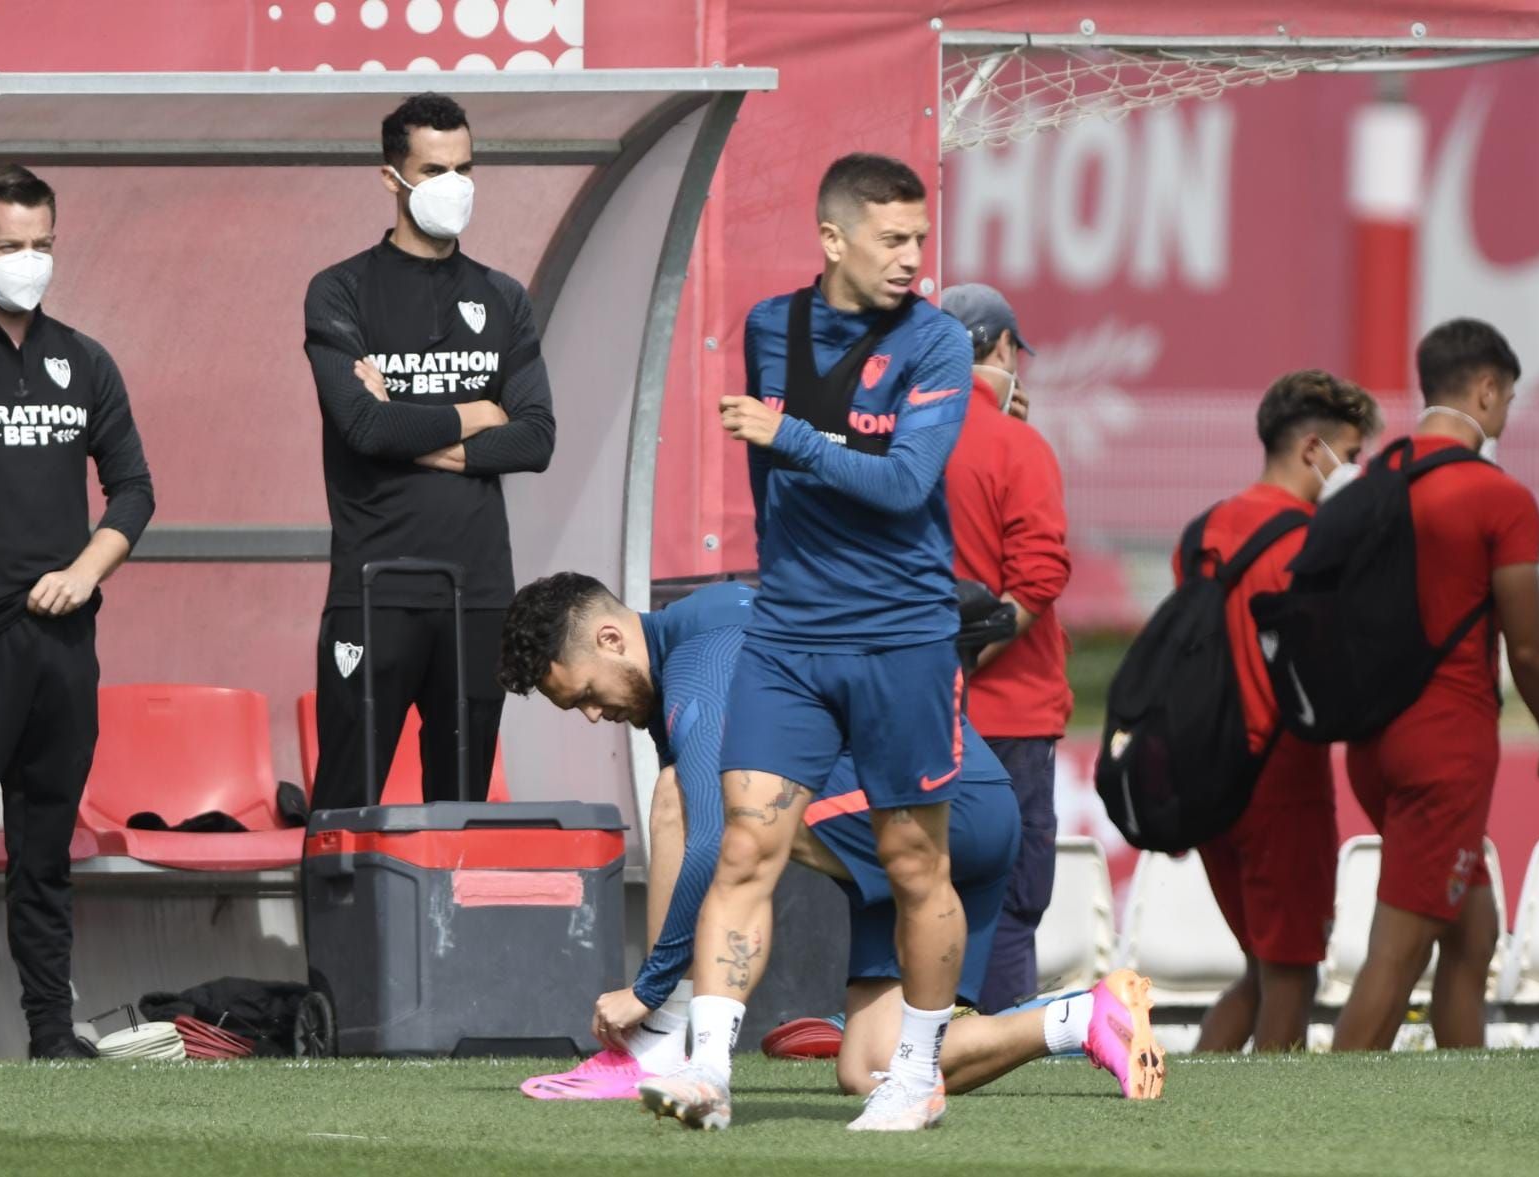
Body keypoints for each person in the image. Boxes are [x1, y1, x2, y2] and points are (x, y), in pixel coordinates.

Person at [499, 573, 1165, 1115]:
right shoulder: (692, 644)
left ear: (611, 638)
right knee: (870, 1067)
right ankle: (1081, 1019)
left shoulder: (702, 662)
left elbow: (712, 842)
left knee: (691, 798)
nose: (595, 714)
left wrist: (647, 990)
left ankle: (662, 1040)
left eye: (586, 694)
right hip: (947, 811)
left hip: (947, 809)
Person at [640, 153, 972, 1131]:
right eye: (892, 239)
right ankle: (708, 1071)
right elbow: (776, 487)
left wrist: (789, 436)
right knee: (744, 843)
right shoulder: (767, 326)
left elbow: (904, 484)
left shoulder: (938, 342)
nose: (912, 257)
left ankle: (915, 1076)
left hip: (901, 638)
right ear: (832, 238)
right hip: (787, 634)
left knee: (912, 862)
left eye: (919, 238)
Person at [1333, 319, 1539, 1051]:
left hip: (1372, 741)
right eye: (1508, 400)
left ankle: (1463, 1082)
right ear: (1487, 389)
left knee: (1473, 931)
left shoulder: (1374, 481)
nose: (1505, 415)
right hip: (1446, 747)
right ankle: (1316, 1108)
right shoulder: (1497, 497)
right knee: (1398, 954)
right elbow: (1528, 647)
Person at [304, 93, 554, 810]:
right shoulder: (340, 290)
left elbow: (535, 438)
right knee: (345, 809)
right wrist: (476, 412)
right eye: (434, 170)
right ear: (392, 177)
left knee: (461, 812)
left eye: (464, 169)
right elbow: (364, 427)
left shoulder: (503, 297)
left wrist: (410, 430)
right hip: (374, 591)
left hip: (478, 596)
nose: (455, 186)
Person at [0, 164, 155, 1058]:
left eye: (41, 244)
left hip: (61, 646)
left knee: (45, 852)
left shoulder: (84, 360)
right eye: (9, 246)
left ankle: (51, 1036)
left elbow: (133, 488)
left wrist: (87, 569)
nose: (29, 261)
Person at [1179, 371, 1380, 1052]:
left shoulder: (1202, 532)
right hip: (1282, 779)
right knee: (1290, 976)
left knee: (1259, 973)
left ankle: (1181, 1101)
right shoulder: (1312, 541)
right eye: (1350, 455)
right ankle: (1273, 1116)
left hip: (1208, 779)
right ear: (1312, 449)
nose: (1353, 471)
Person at [939, 282, 1072, 1013]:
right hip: (1010, 715)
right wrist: (970, 658)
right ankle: (1000, 1046)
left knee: (917, 885)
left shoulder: (899, 439)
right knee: (1011, 902)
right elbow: (1039, 575)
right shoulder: (1018, 446)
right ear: (1001, 349)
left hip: (915, 711)